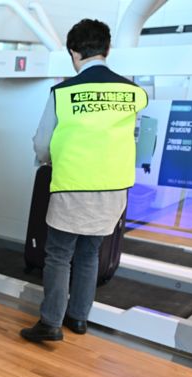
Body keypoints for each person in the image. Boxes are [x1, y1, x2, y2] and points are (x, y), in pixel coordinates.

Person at [21, 18, 148, 343]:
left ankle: (50, 322)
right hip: (114, 188)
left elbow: (41, 143)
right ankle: (78, 319)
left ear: (74, 53)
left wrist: (46, 160)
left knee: (59, 254)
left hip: (73, 185)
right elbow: (138, 140)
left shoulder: (64, 92)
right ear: (107, 49)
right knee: (91, 253)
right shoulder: (132, 92)